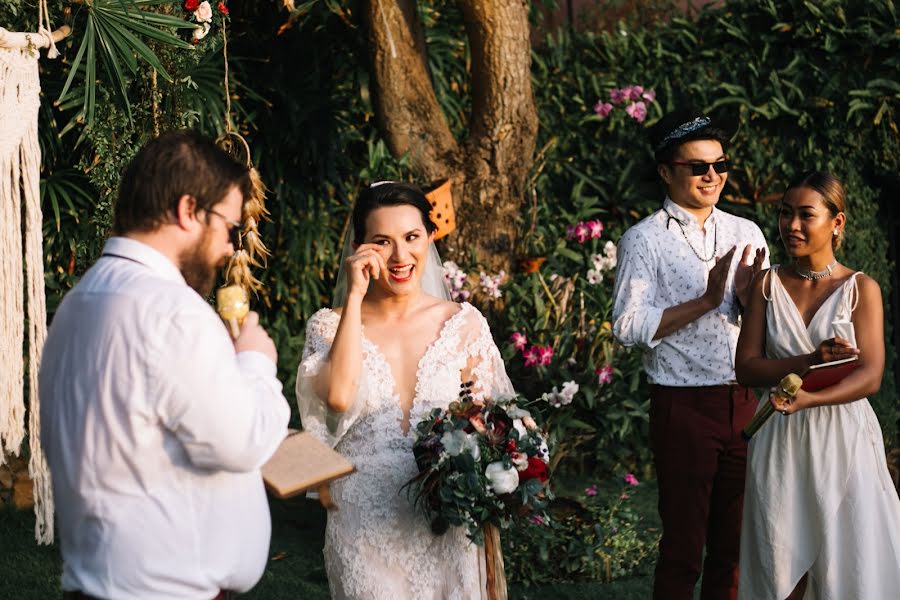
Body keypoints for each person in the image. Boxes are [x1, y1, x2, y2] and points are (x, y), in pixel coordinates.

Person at [39, 131, 290, 599]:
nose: (232, 248)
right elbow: (243, 442)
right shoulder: (174, 312)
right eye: (231, 228)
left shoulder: (79, 302)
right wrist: (256, 361)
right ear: (188, 210)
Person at [296, 182, 513, 600]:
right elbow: (339, 398)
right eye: (382, 242)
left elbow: (491, 424)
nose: (399, 257)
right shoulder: (328, 326)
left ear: (429, 238)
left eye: (411, 238)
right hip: (364, 523)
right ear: (359, 249)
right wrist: (356, 296)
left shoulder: (463, 324)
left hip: (445, 521)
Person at [612, 108, 769, 599]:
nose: (712, 176)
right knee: (684, 547)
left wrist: (749, 300)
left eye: (721, 165)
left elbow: (768, 321)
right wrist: (704, 300)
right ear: (666, 171)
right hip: (683, 405)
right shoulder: (644, 240)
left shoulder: (747, 232)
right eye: (698, 166)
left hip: (746, 404)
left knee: (736, 545)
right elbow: (627, 325)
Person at [735, 171, 900, 599]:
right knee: (779, 556)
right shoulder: (766, 285)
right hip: (779, 437)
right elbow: (747, 368)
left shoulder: (862, 289)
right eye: (785, 213)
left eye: (806, 215)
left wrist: (810, 398)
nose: (791, 225)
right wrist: (808, 361)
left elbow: (871, 375)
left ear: (837, 222)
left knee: (845, 556)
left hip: (843, 438)